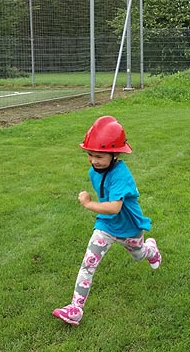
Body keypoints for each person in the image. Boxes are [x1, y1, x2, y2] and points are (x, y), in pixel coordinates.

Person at [52, 116, 161, 326]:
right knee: (88, 264)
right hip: (106, 226)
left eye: (99, 156)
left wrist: (88, 204)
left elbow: (115, 207)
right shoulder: (94, 172)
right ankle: (75, 309)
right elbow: (108, 211)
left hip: (129, 228)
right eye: (90, 155)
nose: (94, 161)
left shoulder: (121, 174)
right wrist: (98, 212)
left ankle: (151, 250)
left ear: (115, 154)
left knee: (139, 255)